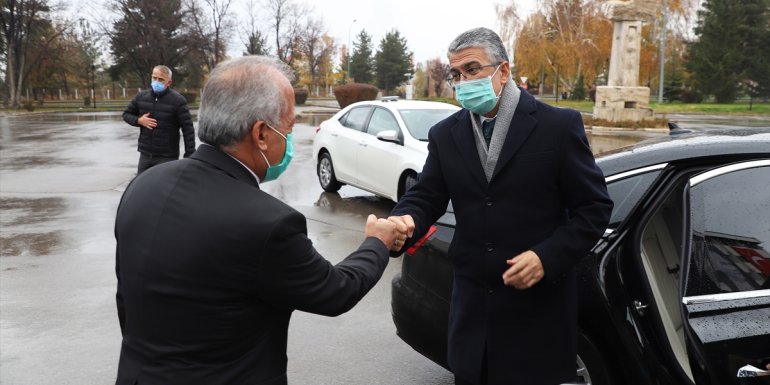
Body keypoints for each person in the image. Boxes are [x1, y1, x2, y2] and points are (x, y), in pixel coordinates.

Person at [114, 56, 403, 385]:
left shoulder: (142, 186)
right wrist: (377, 242)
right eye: (289, 129)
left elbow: (127, 301)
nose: (289, 140)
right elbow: (336, 291)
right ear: (262, 134)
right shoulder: (268, 222)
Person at [388, 28, 613, 385]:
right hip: (472, 320)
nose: (463, 82)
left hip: (536, 316)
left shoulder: (557, 126)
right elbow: (426, 196)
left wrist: (546, 257)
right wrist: (402, 221)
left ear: (503, 71)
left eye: (472, 69)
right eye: (456, 74)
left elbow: (594, 208)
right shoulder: (446, 134)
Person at [122, 65, 196, 174]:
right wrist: (138, 120)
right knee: (142, 184)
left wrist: (189, 155)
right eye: (154, 78)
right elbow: (126, 114)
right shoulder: (141, 97)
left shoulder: (178, 101)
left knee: (164, 185)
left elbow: (188, 129)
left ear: (169, 82)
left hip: (167, 157)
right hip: (145, 155)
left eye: (161, 79)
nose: (156, 81)